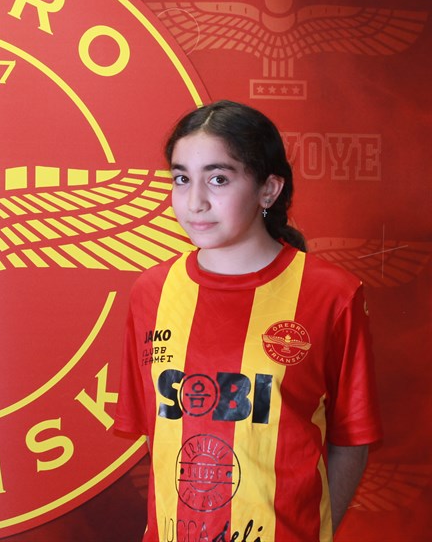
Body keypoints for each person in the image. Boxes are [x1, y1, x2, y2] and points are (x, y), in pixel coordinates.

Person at [114, 100, 381, 542]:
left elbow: (352, 439)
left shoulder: (332, 294)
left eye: (218, 179)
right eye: (182, 179)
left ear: (268, 190)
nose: (195, 202)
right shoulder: (151, 292)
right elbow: (157, 433)